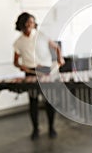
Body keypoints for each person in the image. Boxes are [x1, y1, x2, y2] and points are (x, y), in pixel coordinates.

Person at [13, 12, 65, 140]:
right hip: (30, 72)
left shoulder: (41, 36)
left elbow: (57, 48)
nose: (32, 25)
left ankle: (51, 128)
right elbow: (15, 62)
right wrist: (21, 66)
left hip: (46, 71)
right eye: (29, 22)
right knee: (33, 102)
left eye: (33, 22)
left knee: (49, 101)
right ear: (22, 24)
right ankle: (35, 129)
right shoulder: (18, 42)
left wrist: (60, 59)